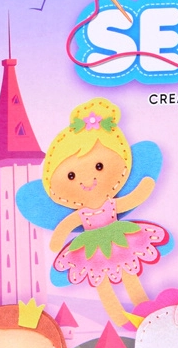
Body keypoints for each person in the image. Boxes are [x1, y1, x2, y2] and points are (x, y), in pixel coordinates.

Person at [43, 98, 168, 327]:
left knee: (129, 271)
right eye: (71, 176)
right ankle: (120, 318)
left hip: (119, 237)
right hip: (91, 248)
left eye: (99, 166)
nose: (87, 180)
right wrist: (57, 240)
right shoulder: (82, 214)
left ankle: (144, 312)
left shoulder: (111, 205)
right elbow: (66, 225)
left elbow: (129, 201)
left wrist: (143, 190)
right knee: (101, 280)